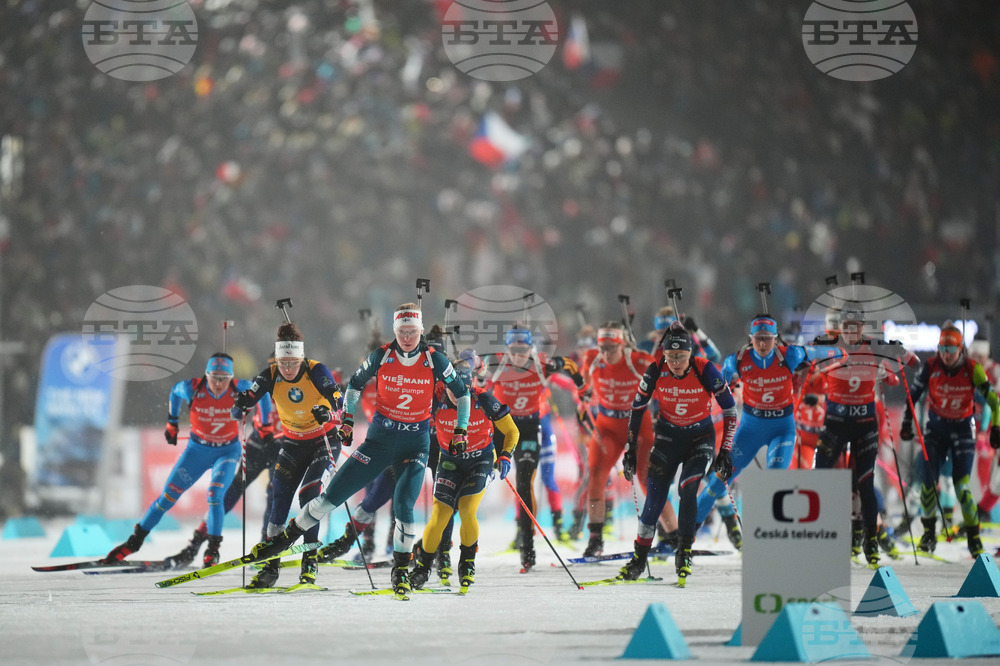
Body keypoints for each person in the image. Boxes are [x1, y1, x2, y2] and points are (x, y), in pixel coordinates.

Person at [247, 303, 470, 598]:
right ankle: (286, 539)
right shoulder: (382, 355)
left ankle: (401, 571)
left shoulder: (435, 360)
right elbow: (353, 385)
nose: (407, 337)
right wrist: (348, 420)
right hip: (378, 443)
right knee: (330, 498)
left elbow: (463, 393)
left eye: (412, 332)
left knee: (404, 507)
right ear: (395, 330)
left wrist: (461, 430)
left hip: (415, 446)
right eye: (402, 331)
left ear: (419, 331)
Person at [103, 353, 267, 567]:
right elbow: (174, 393)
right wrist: (171, 423)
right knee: (166, 498)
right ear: (206, 375)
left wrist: (264, 423)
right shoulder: (192, 388)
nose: (218, 384)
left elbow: (263, 392)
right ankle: (134, 542)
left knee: (215, 496)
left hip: (227, 453)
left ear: (231, 377)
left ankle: (212, 550)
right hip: (196, 452)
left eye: (224, 378)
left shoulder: (241, 387)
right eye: (214, 377)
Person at [694, 315, 840, 549]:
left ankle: (769, 538)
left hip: (782, 429)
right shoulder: (737, 361)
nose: (763, 344)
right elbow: (719, 386)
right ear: (751, 339)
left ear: (775, 339)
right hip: (750, 429)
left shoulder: (789, 355)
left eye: (767, 339)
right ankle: (687, 536)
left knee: (774, 482)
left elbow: (821, 353)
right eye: (758, 339)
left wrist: (840, 353)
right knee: (716, 483)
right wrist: (731, 391)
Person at [617, 323, 738, 585]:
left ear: (690, 354)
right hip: (667, 439)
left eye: (681, 356)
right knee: (654, 501)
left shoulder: (705, 368)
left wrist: (725, 450)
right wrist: (630, 450)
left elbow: (730, 409)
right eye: (670, 357)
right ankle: (639, 559)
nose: (675, 362)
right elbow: (636, 409)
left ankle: (684, 553)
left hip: (700, 440)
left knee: (688, 487)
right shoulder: (655, 369)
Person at [231, 322, 344, 588]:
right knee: (279, 499)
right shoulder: (270, 374)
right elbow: (245, 403)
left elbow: (340, 401)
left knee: (309, 494)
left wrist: (328, 412)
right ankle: (272, 566)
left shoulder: (316, 371)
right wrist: (241, 404)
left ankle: (310, 560)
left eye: (293, 363)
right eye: (283, 363)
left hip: (324, 441)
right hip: (293, 444)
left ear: (301, 358)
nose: (288, 368)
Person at [811, 309, 917, 566]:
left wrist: (898, 354)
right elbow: (808, 370)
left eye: (855, 327)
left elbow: (912, 365)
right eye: (846, 327)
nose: (850, 331)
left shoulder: (874, 347)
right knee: (819, 477)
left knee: (865, 483)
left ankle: (870, 541)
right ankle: (820, 538)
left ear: (861, 328)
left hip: (864, 427)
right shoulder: (829, 347)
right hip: (835, 426)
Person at [409, 348, 519, 591]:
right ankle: (423, 567)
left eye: (465, 394)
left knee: (467, 509)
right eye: (454, 393)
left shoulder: (483, 399)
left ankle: (467, 563)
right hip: (449, 461)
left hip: (480, 460)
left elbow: (512, 431)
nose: (460, 400)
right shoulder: (435, 399)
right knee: (440, 515)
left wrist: (505, 456)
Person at [486, 326, 583, 572]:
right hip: (502, 429)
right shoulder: (495, 363)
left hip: (529, 428)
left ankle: (526, 547)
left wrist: (582, 386)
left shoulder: (542, 364)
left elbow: (570, 367)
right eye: (514, 350)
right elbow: (467, 371)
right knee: (474, 482)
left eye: (523, 350)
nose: (518, 355)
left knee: (524, 483)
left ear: (531, 348)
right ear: (507, 348)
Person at [576, 321, 677, 557]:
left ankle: (674, 537)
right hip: (607, 427)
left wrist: (661, 414)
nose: (606, 353)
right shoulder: (592, 358)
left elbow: (665, 384)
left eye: (611, 348)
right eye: (602, 347)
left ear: (622, 345)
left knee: (648, 481)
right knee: (596, 478)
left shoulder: (639, 361)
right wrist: (584, 398)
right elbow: (584, 391)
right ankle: (595, 539)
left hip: (638, 428)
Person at [900, 323, 1000, 558]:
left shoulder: (972, 368)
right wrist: (906, 422)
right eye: (942, 349)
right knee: (927, 484)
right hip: (936, 431)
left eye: (950, 350)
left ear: (960, 349)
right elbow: (912, 396)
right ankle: (929, 534)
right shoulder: (931, 366)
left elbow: (994, 402)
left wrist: (995, 428)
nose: (945, 355)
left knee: (961, 487)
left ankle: (974, 539)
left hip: (964, 431)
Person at [166, 385, 281, 567]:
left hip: (282, 448)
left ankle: (265, 547)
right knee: (231, 493)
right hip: (259, 445)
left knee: (275, 495)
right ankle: (194, 546)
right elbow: (236, 409)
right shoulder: (263, 382)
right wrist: (239, 407)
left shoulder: (299, 383)